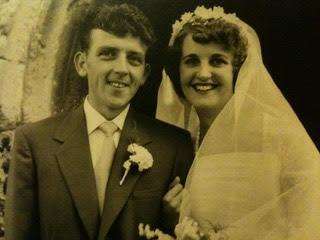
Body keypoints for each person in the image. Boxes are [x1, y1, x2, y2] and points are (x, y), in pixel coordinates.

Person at [5, 3, 194, 240]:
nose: (122, 69)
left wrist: (173, 217)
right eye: (108, 54)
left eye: (133, 59)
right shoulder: (34, 142)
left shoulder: (173, 146)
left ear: (144, 74)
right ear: (82, 64)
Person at [155, 6, 320, 240]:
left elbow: (309, 219)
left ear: (236, 69)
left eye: (217, 61)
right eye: (192, 61)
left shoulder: (276, 133)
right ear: (177, 70)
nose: (203, 73)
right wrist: (171, 220)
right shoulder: (174, 138)